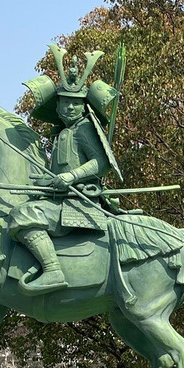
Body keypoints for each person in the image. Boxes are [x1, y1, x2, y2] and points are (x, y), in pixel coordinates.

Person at [9, 45, 122, 295]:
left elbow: (101, 163)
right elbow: (56, 173)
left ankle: (52, 270)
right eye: (65, 103)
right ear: (58, 105)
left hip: (78, 202)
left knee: (23, 215)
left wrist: (71, 176)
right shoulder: (60, 133)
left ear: (84, 106)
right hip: (58, 199)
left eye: (75, 104)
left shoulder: (84, 129)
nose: (70, 108)